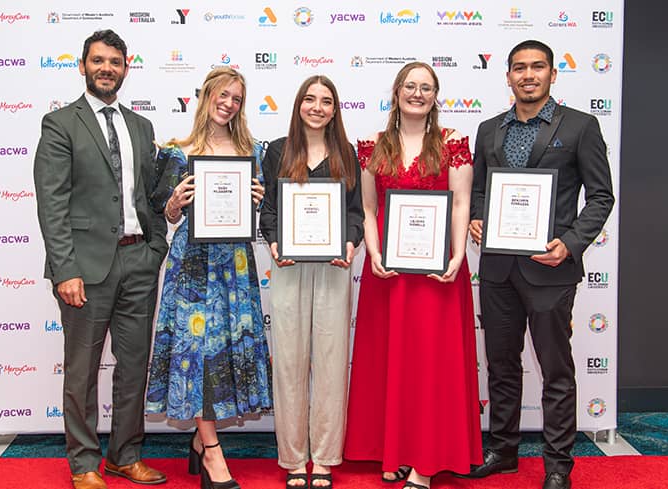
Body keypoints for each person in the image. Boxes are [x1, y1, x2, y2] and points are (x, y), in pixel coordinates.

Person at [462, 40, 615, 489]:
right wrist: (476, 214)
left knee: (556, 369)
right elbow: (481, 189)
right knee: (501, 365)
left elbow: (601, 195)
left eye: (538, 67)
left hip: (551, 268)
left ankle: (557, 465)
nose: (528, 75)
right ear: (507, 76)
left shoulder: (582, 126)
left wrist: (569, 244)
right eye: (519, 68)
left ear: (552, 73)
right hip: (497, 270)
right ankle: (503, 450)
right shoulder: (489, 129)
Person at [33, 30, 168, 489]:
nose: (106, 68)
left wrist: (156, 248)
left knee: (133, 366)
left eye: (115, 61)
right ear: (83, 65)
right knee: (82, 370)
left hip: (138, 262)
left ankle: (125, 455)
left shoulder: (140, 127)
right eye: (98, 60)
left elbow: (148, 196)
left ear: (126, 68)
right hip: (84, 271)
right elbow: (51, 202)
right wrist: (64, 269)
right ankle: (84, 463)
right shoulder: (60, 123)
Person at [343, 62, 482, 489]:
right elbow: (367, 208)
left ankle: (423, 462)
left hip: (438, 272)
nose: (417, 93)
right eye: (410, 86)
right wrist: (376, 250)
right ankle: (394, 450)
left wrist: (458, 254)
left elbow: (460, 204)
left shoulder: (453, 143)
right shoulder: (372, 145)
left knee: (430, 365)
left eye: (426, 87)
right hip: (389, 271)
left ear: (435, 95)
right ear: (397, 91)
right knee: (391, 361)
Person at [144, 67, 272, 489]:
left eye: (237, 97)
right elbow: (165, 215)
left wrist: (259, 199)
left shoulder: (251, 151)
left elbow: (256, 215)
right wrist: (174, 205)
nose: (229, 103)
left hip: (234, 265)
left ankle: (200, 443)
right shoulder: (178, 152)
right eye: (223, 94)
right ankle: (213, 451)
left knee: (225, 351)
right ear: (206, 97)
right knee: (195, 352)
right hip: (192, 266)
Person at [259, 75, 364, 489]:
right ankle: (293, 458)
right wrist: (274, 241)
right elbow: (267, 208)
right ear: (298, 104)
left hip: (336, 266)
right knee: (288, 364)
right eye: (309, 99)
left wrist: (352, 242)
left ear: (335, 109)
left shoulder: (347, 153)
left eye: (326, 101)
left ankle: (323, 457)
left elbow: (354, 212)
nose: (317, 107)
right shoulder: (278, 151)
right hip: (288, 267)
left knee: (332, 363)